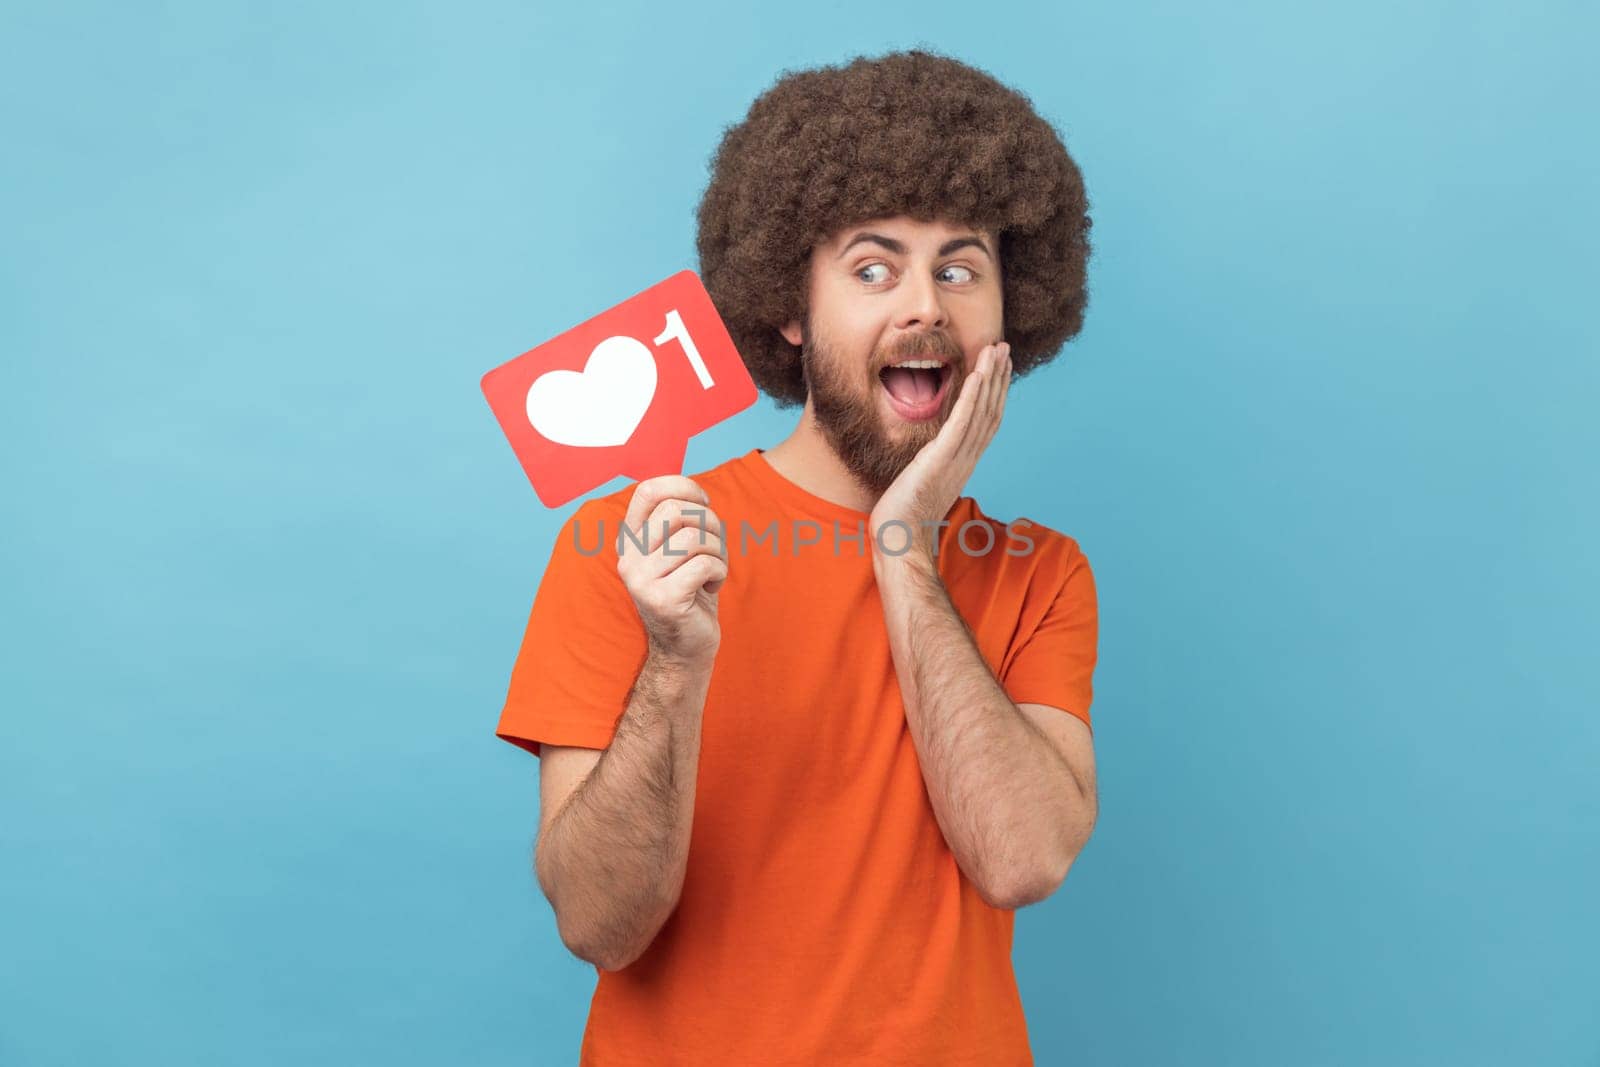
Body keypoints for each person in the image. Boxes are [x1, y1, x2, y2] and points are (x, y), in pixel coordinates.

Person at [495, 48, 1099, 1065]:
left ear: (1009, 313)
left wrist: (903, 547)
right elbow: (599, 925)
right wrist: (675, 659)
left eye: (960, 269)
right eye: (873, 269)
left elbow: (1022, 858)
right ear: (788, 305)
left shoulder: (1037, 569)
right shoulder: (624, 543)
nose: (925, 308)